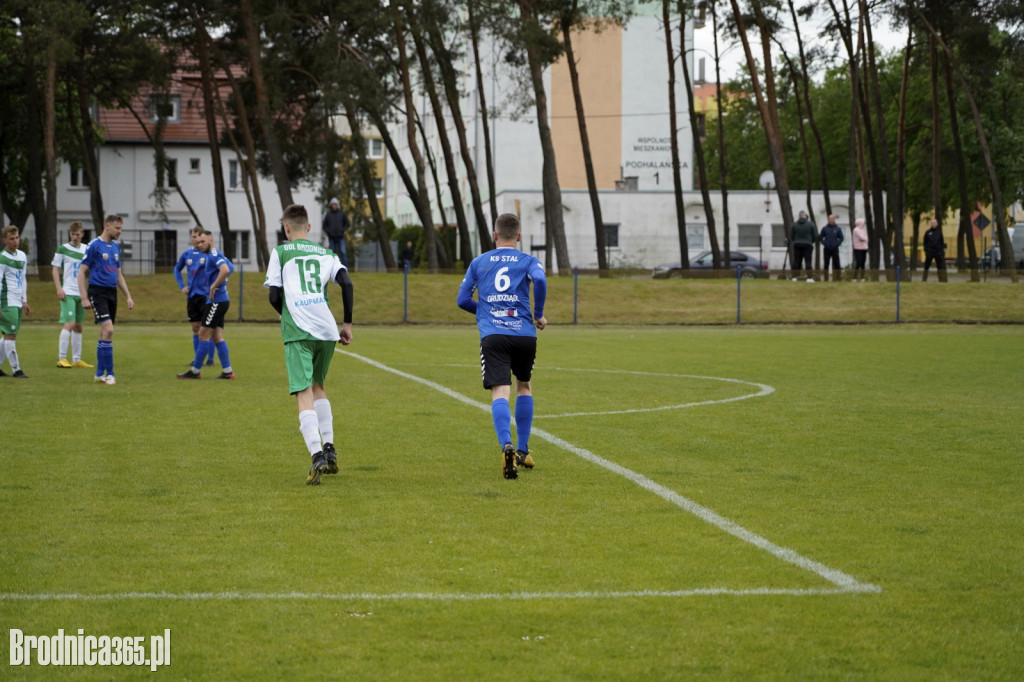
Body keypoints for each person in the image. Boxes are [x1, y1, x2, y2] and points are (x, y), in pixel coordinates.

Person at [265, 204, 354, 486]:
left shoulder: (280, 252)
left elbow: (273, 295)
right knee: (318, 386)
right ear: (310, 228)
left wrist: (284, 312)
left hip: (298, 329)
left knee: (303, 390)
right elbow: (347, 283)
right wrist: (347, 324)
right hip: (326, 329)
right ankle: (329, 447)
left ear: (286, 228)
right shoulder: (326, 253)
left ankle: (316, 454)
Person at [457, 212, 547, 480]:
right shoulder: (529, 260)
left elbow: (463, 300)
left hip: (494, 335)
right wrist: (538, 313)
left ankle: (505, 445)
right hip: (524, 333)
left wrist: (485, 311)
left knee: (500, 392)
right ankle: (522, 450)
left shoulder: (479, 262)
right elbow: (540, 281)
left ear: (495, 235)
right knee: (524, 386)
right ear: (519, 236)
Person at [77, 214, 135, 385]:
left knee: (104, 332)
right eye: (117, 228)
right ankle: (109, 374)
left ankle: (98, 373)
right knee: (109, 330)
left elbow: (118, 275)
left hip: (111, 293)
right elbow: (81, 273)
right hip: (98, 292)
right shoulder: (94, 246)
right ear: (107, 226)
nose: (120, 231)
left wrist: (128, 296)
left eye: (121, 228)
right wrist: (83, 297)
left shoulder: (115, 248)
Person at [177, 231, 235, 380]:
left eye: (203, 241)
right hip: (220, 300)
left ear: (211, 240)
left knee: (203, 334)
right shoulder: (216, 254)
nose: (199, 244)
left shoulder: (214, 255)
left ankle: (195, 371)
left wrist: (214, 286)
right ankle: (228, 371)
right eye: (198, 241)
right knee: (216, 336)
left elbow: (226, 270)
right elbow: (230, 267)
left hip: (216, 301)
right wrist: (220, 283)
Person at [51, 221, 93, 368]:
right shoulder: (63, 248)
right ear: (70, 234)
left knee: (79, 326)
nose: (75, 236)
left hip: (80, 293)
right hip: (67, 291)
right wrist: (59, 288)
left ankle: (76, 359)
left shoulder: (86, 249)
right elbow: (55, 269)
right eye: (72, 234)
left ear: (82, 234)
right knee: (69, 323)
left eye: (78, 234)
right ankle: (61, 358)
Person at [174, 226, 214, 367]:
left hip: (205, 296)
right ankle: (198, 359)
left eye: (198, 236)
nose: (195, 239)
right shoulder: (187, 254)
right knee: (195, 327)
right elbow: (177, 269)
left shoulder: (208, 254)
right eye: (193, 236)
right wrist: (182, 286)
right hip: (192, 295)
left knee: (207, 328)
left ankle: (210, 359)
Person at [0, 224, 31, 378]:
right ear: (4, 240)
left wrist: (24, 300)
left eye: (17, 238)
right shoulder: (2, 258)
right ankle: (16, 370)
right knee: (10, 335)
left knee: (8, 334)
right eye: (11, 239)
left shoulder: (22, 256)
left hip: (17, 301)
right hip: (6, 301)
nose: (15, 241)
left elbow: (23, 279)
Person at [321, 198, 351, 267]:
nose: (334, 206)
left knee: (343, 252)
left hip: (340, 237)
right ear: (331, 205)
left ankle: (345, 267)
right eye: (333, 205)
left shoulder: (342, 214)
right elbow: (324, 225)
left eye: (335, 204)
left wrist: (342, 230)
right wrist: (329, 232)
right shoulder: (328, 215)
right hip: (331, 237)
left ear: (337, 205)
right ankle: (332, 267)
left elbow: (347, 224)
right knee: (332, 253)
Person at [789, 211, 816, 282]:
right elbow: (814, 235)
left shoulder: (794, 225)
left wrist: (797, 240)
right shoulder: (810, 224)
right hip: (808, 245)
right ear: (805, 216)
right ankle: (809, 278)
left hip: (797, 244)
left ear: (799, 216)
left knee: (797, 261)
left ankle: (794, 277)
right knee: (808, 261)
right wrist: (810, 241)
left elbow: (792, 236)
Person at [819, 214, 845, 281]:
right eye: (830, 218)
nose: (831, 220)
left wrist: (837, 244)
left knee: (837, 264)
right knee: (826, 264)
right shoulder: (825, 228)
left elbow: (841, 238)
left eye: (833, 218)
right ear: (828, 219)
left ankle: (838, 278)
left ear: (834, 219)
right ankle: (826, 278)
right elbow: (820, 238)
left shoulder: (838, 229)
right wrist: (825, 243)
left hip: (835, 249)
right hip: (827, 249)